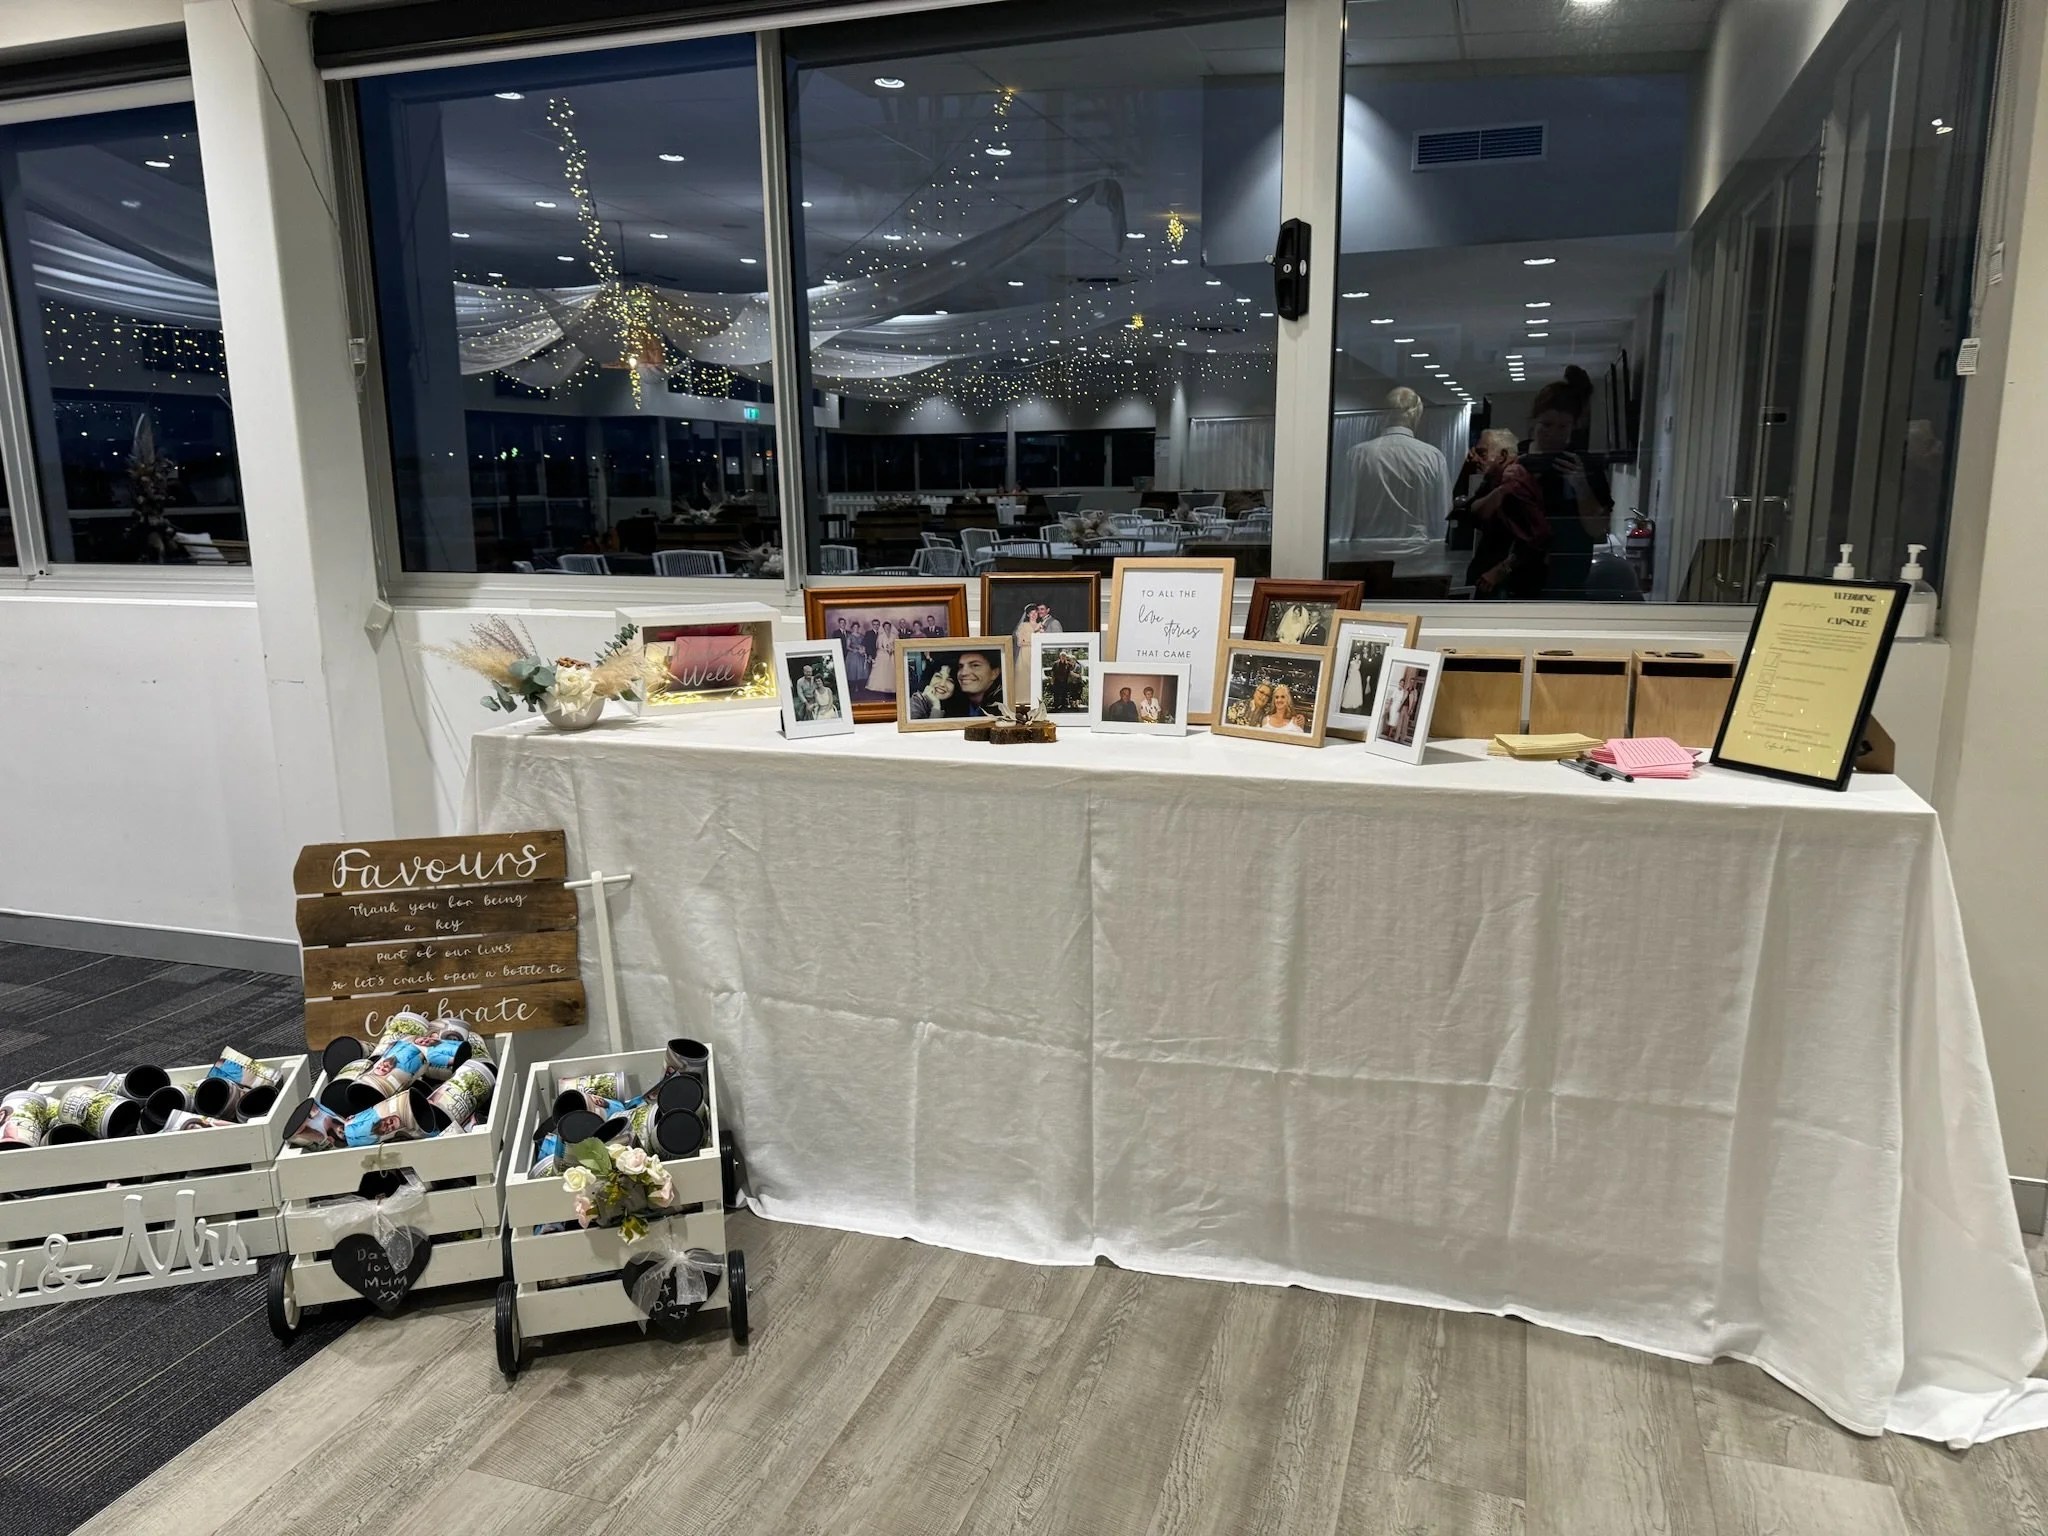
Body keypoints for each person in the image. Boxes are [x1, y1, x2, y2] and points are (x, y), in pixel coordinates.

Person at [1333, 386, 1450, 564]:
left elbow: (1343, 511)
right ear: (1416, 415)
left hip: (1364, 556)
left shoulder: (1357, 455)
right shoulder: (1432, 456)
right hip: (1418, 557)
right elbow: (1442, 514)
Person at [1520, 376, 1612, 597]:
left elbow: (1597, 529)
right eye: (1546, 425)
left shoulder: (1583, 465)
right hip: (1516, 579)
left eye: (1563, 426)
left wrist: (1581, 486)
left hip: (1566, 582)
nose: (1553, 433)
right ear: (1534, 422)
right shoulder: (1515, 458)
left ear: (1573, 426)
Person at [1460, 428, 1549, 599]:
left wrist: (1501, 570)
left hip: (1509, 583)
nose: (1475, 459)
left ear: (1502, 456)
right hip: (1491, 574)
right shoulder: (1495, 480)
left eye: (1482, 453)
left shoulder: (1517, 482)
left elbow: (1539, 537)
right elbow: (1472, 513)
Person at [909, 647, 1003, 719]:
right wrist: (936, 708)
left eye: (975, 665)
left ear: (995, 673)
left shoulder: (1002, 702)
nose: (942, 684)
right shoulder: (917, 702)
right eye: (938, 676)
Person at [869, 621, 898, 698]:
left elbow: (897, 644)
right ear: (883, 628)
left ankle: (891, 686)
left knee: (891, 670)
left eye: (888, 627)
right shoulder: (881, 636)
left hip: (892, 654)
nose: (887, 628)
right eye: (885, 627)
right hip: (883, 654)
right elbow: (879, 646)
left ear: (890, 627)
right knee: (883, 670)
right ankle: (881, 686)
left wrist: (892, 649)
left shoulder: (894, 635)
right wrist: (886, 650)